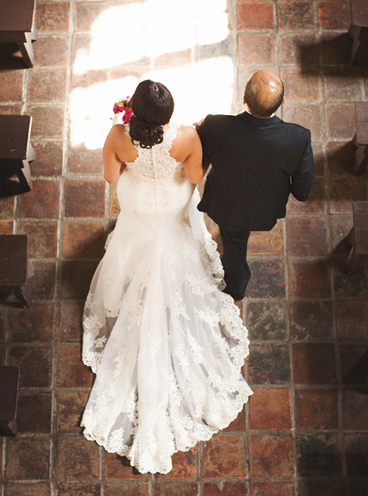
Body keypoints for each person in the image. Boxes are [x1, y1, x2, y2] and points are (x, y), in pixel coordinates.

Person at [80, 80, 252, 474]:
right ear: (168, 115)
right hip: (171, 208)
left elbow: (111, 177)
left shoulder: (118, 135)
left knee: (131, 248)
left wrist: (131, 166)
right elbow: (193, 177)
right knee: (178, 244)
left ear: (134, 112)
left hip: (139, 208)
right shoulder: (187, 136)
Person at [197, 69, 315, 300]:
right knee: (235, 241)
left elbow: (198, 149)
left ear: (243, 99)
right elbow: (302, 191)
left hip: (228, 205)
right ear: (281, 103)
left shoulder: (216, 126)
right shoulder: (298, 138)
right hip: (265, 207)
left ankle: (237, 286)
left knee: (234, 247)